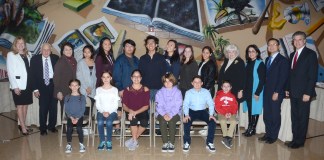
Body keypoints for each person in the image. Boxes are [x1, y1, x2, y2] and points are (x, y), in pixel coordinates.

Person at [285, 31, 318, 149]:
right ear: (293, 42)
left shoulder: (311, 54)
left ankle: (300, 141)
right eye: (295, 40)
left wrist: (308, 93)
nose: (297, 42)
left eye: (300, 39)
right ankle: (294, 139)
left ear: (304, 41)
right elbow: (291, 74)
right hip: (293, 92)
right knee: (294, 117)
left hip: (304, 93)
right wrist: (288, 88)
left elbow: (312, 76)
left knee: (302, 117)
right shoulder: (292, 54)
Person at [259, 38, 289, 144]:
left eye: (274, 44)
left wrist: (276, 92)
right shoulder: (267, 59)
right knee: (267, 114)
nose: (271, 47)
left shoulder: (283, 60)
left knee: (275, 114)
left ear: (278, 46)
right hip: (266, 91)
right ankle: (268, 133)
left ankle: (273, 136)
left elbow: (283, 78)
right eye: (269, 45)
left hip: (276, 92)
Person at [30, 43, 59, 135]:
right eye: (44, 49)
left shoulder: (56, 58)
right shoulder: (34, 59)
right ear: (40, 50)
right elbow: (32, 76)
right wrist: (35, 89)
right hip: (41, 85)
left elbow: (59, 74)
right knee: (43, 108)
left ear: (51, 50)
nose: (46, 51)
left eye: (48, 50)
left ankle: (52, 126)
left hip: (53, 84)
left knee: (53, 107)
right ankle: (43, 128)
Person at [182, 75, 216, 153]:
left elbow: (211, 104)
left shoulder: (206, 92)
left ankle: (210, 142)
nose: (197, 84)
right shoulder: (188, 92)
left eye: (199, 82)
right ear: (192, 83)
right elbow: (185, 104)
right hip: (191, 111)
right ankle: (187, 142)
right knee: (187, 122)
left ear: (202, 83)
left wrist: (211, 114)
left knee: (212, 122)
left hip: (202, 111)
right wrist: (186, 114)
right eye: (195, 82)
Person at [7, 36, 33, 135]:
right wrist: (15, 86)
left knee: (26, 105)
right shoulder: (11, 54)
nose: (21, 45)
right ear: (15, 44)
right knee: (20, 106)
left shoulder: (29, 54)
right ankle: (22, 127)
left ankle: (24, 124)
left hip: (28, 84)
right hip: (18, 85)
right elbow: (10, 72)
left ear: (25, 44)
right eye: (19, 43)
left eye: (22, 43)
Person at [113, 39, 139, 135]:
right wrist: (120, 89)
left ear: (134, 48)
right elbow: (116, 75)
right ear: (124, 48)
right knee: (120, 108)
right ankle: (117, 128)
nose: (129, 48)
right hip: (123, 88)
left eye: (131, 46)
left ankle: (131, 127)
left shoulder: (136, 60)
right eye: (127, 46)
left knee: (131, 108)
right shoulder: (120, 59)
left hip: (134, 89)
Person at [122, 69, 150, 151]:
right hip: (130, 111)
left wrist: (135, 112)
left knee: (145, 122)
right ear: (131, 78)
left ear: (141, 78)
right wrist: (130, 111)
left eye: (138, 76)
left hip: (142, 111)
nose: (136, 78)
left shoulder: (145, 89)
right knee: (133, 120)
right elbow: (124, 106)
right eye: (134, 76)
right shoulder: (127, 90)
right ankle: (134, 142)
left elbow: (146, 106)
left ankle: (133, 139)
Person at [155, 73, 182, 152]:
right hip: (161, 113)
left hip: (175, 113)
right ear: (163, 83)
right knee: (162, 121)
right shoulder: (160, 92)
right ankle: (165, 142)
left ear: (173, 81)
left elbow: (177, 106)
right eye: (165, 81)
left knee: (171, 121)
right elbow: (159, 106)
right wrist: (164, 114)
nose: (167, 83)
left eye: (169, 81)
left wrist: (170, 114)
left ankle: (171, 143)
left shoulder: (178, 92)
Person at [242, 45, 265, 137]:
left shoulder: (260, 63)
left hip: (255, 91)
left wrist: (257, 93)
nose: (251, 53)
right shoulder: (247, 63)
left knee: (254, 110)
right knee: (250, 110)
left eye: (253, 51)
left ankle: (252, 128)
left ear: (257, 53)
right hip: (248, 91)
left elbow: (262, 80)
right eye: (249, 51)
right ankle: (250, 128)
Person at [95, 71, 120, 151]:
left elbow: (115, 105)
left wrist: (109, 112)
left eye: (108, 77)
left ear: (111, 78)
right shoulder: (98, 89)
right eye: (104, 77)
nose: (106, 79)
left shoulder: (115, 89)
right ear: (101, 78)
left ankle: (109, 141)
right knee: (100, 122)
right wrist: (103, 112)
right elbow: (97, 104)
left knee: (109, 122)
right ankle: (102, 141)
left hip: (112, 112)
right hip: (101, 111)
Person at [138, 35, 167, 101]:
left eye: (152, 42)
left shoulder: (161, 58)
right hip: (146, 88)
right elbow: (140, 74)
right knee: (146, 109)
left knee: (159, 109)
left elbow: (164, 74)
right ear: (146, 45)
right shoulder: (142, 58)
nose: (150, 44)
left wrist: (163, 87)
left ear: (156, 45)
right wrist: (142, 87)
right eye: (148, 43)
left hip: (159, 89)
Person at [53, 42, 77, 117]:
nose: (69, 51)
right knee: (65, 113)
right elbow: (56, 77)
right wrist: (58, 91)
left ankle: (70, 128)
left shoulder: (73, 60)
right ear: (62, 51)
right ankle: (65, 129)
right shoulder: (61, 61)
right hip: (63, 91)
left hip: (72, 90)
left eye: (70, 49)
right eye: (66, 50)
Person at [64, 79, 86, 153]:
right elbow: (66, 109)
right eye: (72, 85)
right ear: (69, 87)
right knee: (69, 128)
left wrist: (77, 118)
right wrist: (71, 117)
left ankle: (81, 144)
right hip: (70, 116)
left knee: (79, 128)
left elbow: (83, 109)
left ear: (79, 86)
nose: (74, 87)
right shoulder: (67, 97)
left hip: (79, 116)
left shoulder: (82, 97)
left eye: (76, 85)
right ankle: (69, 144)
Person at [215, 80, 238, 149]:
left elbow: (235, 106)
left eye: (228, 86)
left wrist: (230, 113)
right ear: (221, 87)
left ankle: (228, 138)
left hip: (231, 113)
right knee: (222, 121)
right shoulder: (218, 96)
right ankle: (226, 137)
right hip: (221, 113)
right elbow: (217, 107)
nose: (226, 88)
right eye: (224, 86)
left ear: (230, 87)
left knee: (234, 122)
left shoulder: (232, 96)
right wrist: (225, 113)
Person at [76, 45, 96, 114]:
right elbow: (79, 77)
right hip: (83, 89)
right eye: (85, 52)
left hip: (92, 90)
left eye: (89, 52)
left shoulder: (94, 62)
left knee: (90, 110)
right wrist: (86, 88)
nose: (87, 54)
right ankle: (82, 124)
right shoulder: (80, 63)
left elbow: (95, 77)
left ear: (92, 53)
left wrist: (91, 88)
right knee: (83, 110)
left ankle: (88, 124)